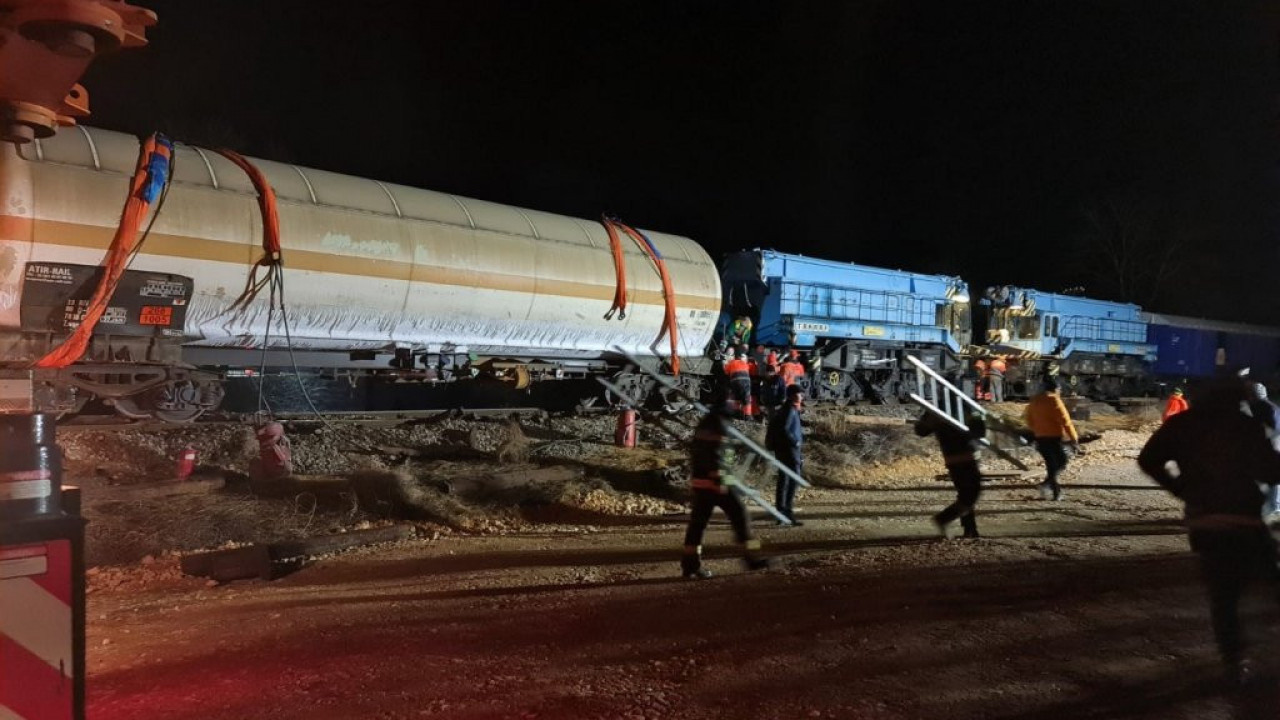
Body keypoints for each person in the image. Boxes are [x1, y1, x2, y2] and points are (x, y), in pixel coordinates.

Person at [1137, 376, 1280, 683]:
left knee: (1223, 596)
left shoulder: (1182, 424)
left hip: (1205, 522)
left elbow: (1148, 459)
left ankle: (1234, 662)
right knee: (1271, 583)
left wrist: (1181, 489)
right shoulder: (1245, 426)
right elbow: (1270, 469)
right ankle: (1265, 652)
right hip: (1245, 521)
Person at [681, 401, 770, 579]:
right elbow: (718, 458)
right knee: (741, 518)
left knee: (697, 527)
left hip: (701, 483)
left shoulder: (704, 424)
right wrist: (722, 481)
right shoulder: (720, 425)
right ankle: (752, 557)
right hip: (718, 484)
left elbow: (701, 455)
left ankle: (690, 566)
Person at [915, 408, 986, 539]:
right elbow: (980, 432)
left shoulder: (936, 409)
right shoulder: (966, 407)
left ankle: (970, 530)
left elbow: (920, 430)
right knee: (970, 496)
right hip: (965, 457)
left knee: (966, 494)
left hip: (954, 459)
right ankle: (944, 519)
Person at [1025, 378, 1081, 501]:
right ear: (1055, 389)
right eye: (1060, 389)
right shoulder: (1054, 400)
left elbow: (1029, 420)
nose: (1060, 391)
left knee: (1052, 466)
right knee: (1062, 462)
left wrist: (1038, 430)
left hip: (1040, 439)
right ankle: (1045, 485)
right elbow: (1066, 421)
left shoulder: (1034, 401)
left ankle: (1056, 493)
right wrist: (1074, 439)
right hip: (1053, 439)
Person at [766, 384, 806, 526]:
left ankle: (782, 514)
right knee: (790, 483)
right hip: (790, 452)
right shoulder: (790, 409)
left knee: (784, 482)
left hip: (784, 451)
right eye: (799, 393)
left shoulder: (787, 408)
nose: (802, 396)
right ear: (793, 395)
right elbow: (784, 429)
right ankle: (786, 513)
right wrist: (795, 442)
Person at [1244, 383, 1280, 525]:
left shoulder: (1261, 407)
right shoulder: (1273, 406)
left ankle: (1270, 508)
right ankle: (1273, 507)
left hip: (1270, 444)